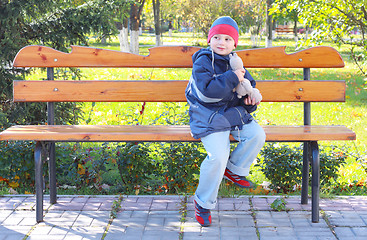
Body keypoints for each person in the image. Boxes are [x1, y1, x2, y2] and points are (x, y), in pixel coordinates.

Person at [185, 16, 266, 227]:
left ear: (234, 44)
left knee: (257, 134)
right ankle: (203, 202)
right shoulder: (203, 61)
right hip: (207, 115)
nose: (222, 42)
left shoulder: (235, 62)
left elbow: (247, 87)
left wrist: (249, 101)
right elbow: (208, 92)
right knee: (218, 157)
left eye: (228, 39)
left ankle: (235, 170)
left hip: (229, 114)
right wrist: (233, 77)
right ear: (209, 39)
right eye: (217, 37)